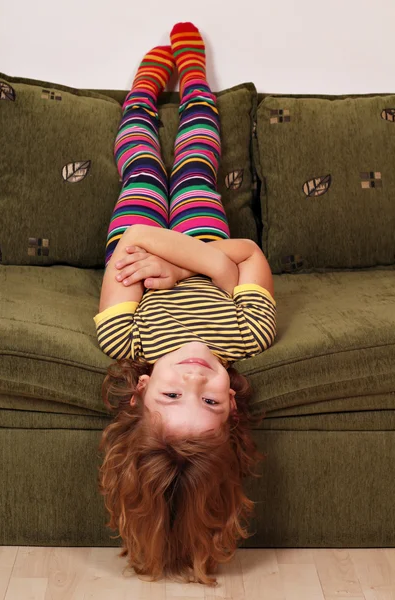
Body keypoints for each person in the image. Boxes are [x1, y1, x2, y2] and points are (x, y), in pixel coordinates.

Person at [93, 22, 277, 587]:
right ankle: (194, 79)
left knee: (143, 164)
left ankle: (144, 91)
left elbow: (133, 242)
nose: (195, 377)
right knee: (197, 160)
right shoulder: (248, 334)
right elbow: (246, 252)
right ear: (233, 409)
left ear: (143, 389)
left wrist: (201, 264)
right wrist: (198, 265)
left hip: (151, 235)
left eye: (174, 394)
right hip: (202, 241)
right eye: (211, 401)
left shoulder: (126, 341)